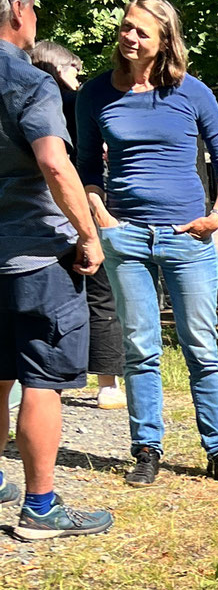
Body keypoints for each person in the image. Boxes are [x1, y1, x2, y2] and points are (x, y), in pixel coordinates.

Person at [76, 0, 218, 488]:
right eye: (125, 27)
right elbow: (87, 165)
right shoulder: (94, 95)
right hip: (126, 237)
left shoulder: (192, 92)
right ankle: (146, 450)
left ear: (165, 41)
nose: (129, 36)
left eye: (141, 31)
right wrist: (103, 218)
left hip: (188, 237)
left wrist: (215, 217)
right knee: (140, 348)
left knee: (202, 347)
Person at [0, 0, 113, 539]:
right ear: (19, 10)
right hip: (35, 258)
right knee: (42, 379)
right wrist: (87, 236)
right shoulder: (29, 80)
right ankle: (41, 508)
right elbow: (53, 162)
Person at [29, 41, 126, 411]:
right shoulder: (79, 103)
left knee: (43, 298)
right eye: (74, 70)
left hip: (35, 213)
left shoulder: (21, 97)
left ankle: (42, 379)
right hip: (81, 205)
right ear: (60, 68)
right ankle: (107, 384)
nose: (77, 78)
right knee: (102, 295)